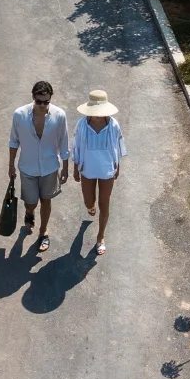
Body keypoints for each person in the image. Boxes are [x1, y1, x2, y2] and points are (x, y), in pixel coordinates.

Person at [8, 81, 70, 252]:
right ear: (33, 98)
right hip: (27, 167)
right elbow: (14, 141)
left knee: (46, 200)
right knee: (31, 202)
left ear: (50, 99)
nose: (42, 105)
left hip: (50, 167)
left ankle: (43, 232)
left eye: (46, 102)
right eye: (39, 101)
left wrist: (65, 167)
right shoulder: (19, 115)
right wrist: (10, 165)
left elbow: (64, 142)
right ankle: (29, 213)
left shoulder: (59, 115)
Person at [71, 90, 127, 256]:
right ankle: (90, 207)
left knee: (105, 203)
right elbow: (76, 146)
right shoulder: (82, 124)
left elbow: (117, 145)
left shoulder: (113, 125)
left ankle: (100, 237)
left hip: (107, 170)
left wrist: (117, 166)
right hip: (87, 169)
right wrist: (75, 167)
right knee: (89, 201)